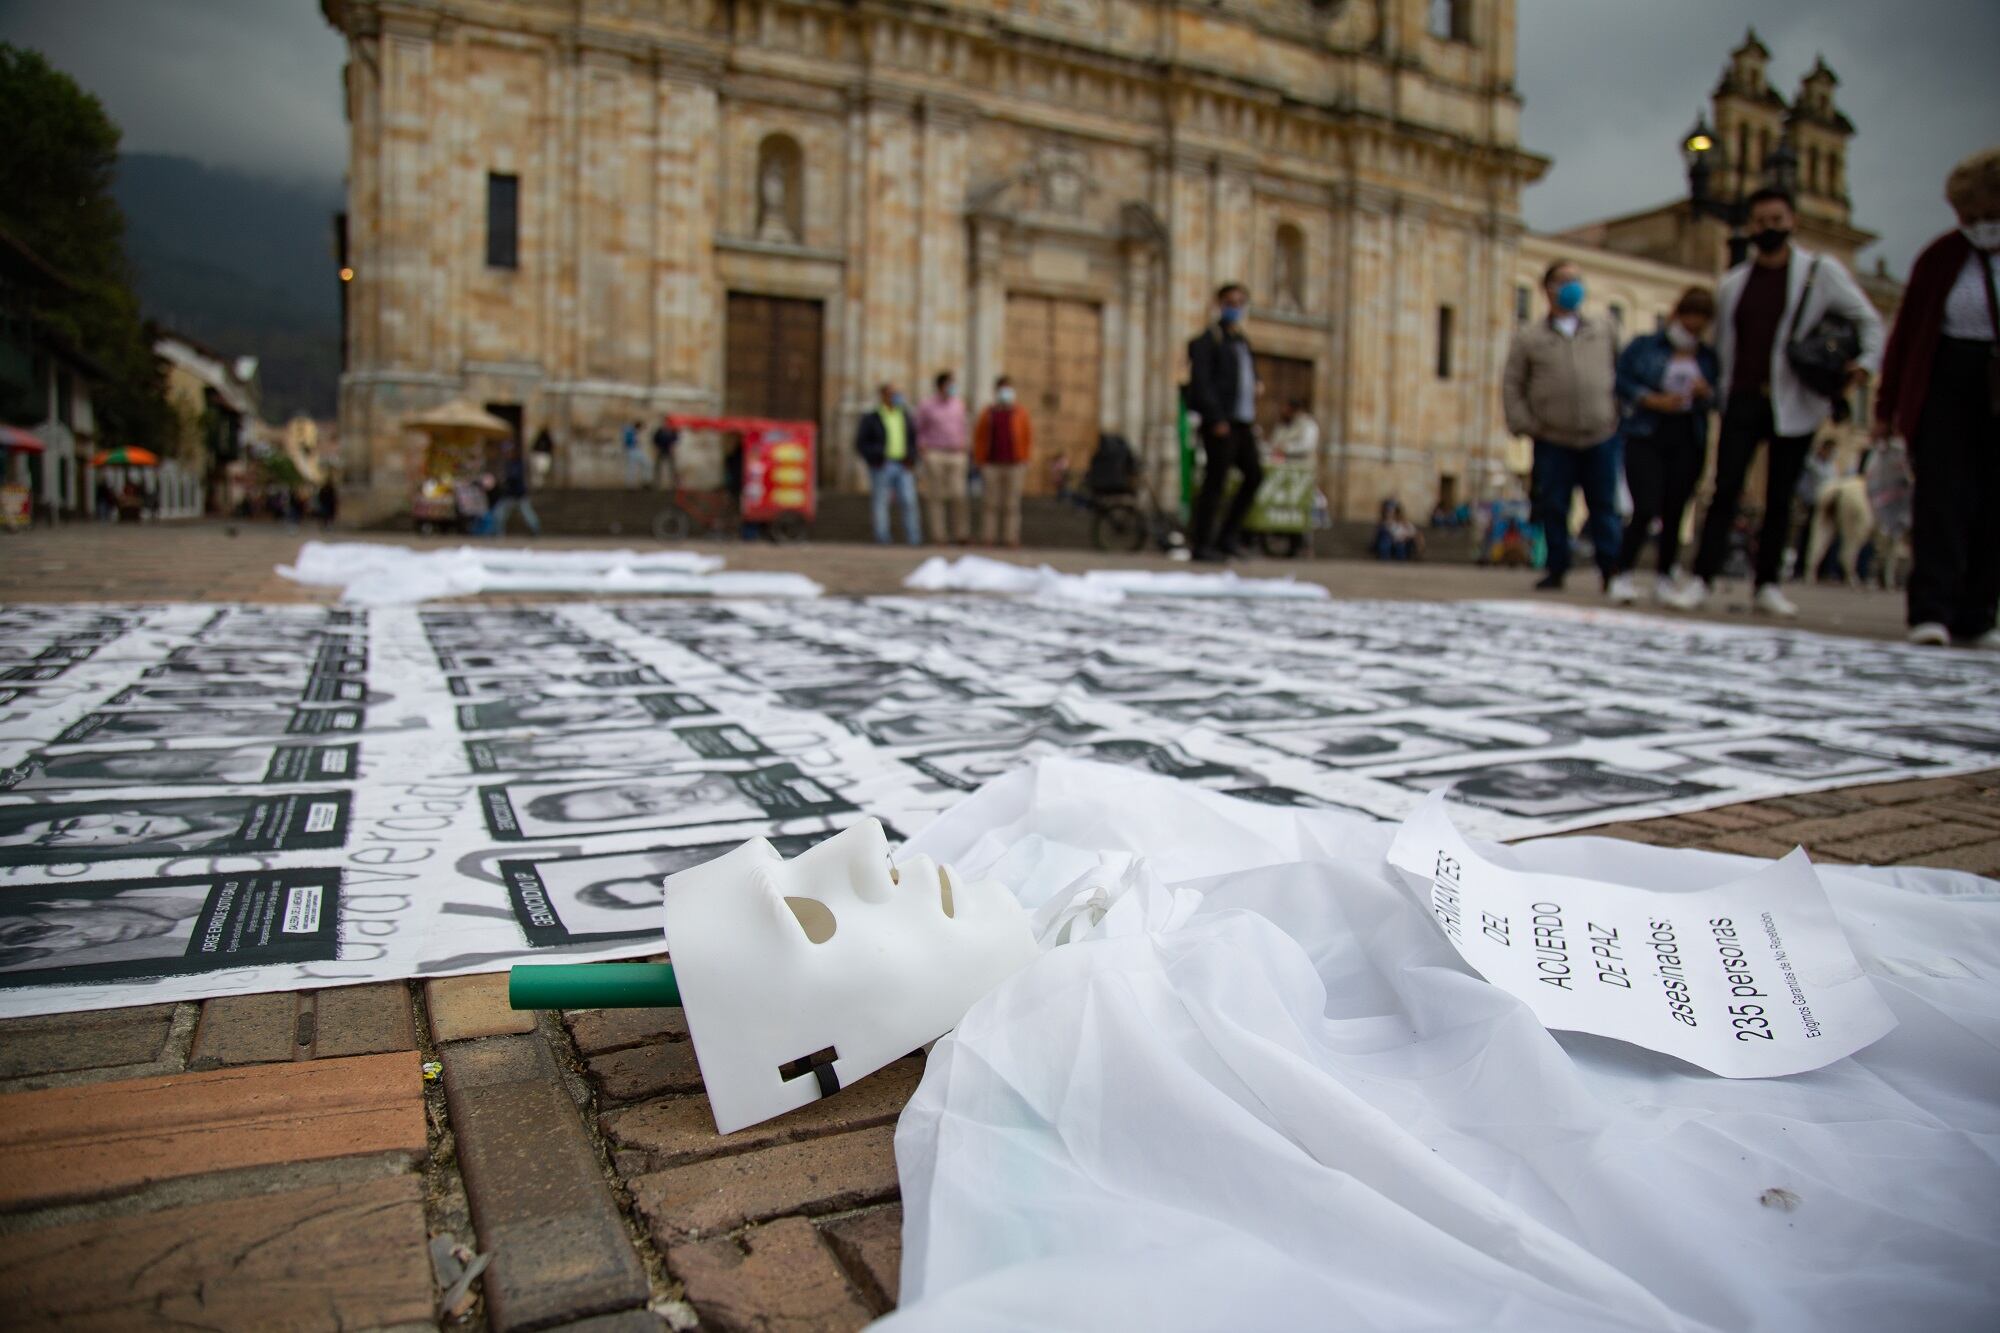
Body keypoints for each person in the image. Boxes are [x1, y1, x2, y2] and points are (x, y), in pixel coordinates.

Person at [1675, 187, 1884, 616]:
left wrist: (1863, 365)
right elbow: (1723, 346)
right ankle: (1701, 576)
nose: (1768, 229)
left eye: (1777, 220)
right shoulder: (1733, 283)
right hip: (1743, 397)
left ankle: (1767, 582)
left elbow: (1868, 319)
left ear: (1792, 223)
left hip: (1795, 399)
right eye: (1761, 221)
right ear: (1751, 226)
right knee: (1726, 487)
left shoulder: (1819, 273)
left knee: (1781, 493)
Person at [1872, 147, 2000, 649]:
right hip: (1946, 383)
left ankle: (1979, 611)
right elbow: (1904, 338)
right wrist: (1887, 409)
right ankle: (1931, 608)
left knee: (1993, 501)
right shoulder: (1942, 256)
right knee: (1940, 498)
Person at [1502, 259, 1623, 594]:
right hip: (1553, 436)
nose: (1572, 287)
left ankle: (1611, 569)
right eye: (1563, 281)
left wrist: (1617, 414)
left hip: (1601, 434)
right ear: (1548, 289)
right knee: (1555, 505)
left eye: (1576, 280)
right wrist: (1524, 424)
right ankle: (1556, 567)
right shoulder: (1530, 337)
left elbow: (1621, 373)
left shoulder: (1603, 329)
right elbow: (1513, 384)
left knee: (1603, 505)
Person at [1609, 286, 1720, 605]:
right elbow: (1621, 381)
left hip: (1687, 435)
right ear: (1677, 315)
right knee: (1644, 505)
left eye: (1699, 326)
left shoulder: (1708, 358)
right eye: (1688, 323)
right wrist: (1651, 398)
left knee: (1676, 508)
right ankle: (1623, 571)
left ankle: (1664, 574)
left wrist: (1705, 394)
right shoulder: (1645, 347)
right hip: (1647, 431)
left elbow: (1719, 397)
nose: (1692, 331)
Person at [1185, 283, 1264, 561]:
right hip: (1221, 422)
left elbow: (1247, 375)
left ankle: (1227, 537)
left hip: (1243, 421)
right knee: (1215, 482)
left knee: (1254, 476)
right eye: (1230, 302)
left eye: (1240, 302)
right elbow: (1201, 383)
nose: (1235, 308)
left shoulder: (1242, 342)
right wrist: (1215, 417)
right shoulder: (1208, 340)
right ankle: (1202, 544)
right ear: (1219, 304)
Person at [856, 382, 922, 545]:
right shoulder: (872, 417)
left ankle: (914, 538)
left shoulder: (904, 415)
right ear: (883, 396)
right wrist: (876, 457)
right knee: (881, 502)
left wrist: (911, 458)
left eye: (898, 393)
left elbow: (913, 439)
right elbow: (861, 442)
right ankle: (882, 537)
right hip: (882, 465)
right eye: (893, 394)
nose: (897, 397)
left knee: (908, 501)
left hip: (903, 464)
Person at [972, 374, 1033, 547]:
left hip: (1015, 464)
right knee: (990, 503)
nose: (1006, 392)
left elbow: (1028, 436)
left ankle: (1010, 538)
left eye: (1008, 389)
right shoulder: (988, 413)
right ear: (996, 391)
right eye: (1002, 389)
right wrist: (980, 460)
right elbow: (979, 437)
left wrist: (1025, 458)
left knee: (1012, 504)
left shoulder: (1020, 413)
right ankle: (988, 538)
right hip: (992, 464)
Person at [916, 370, 971, 545]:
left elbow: (964, 427)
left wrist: (965, 447)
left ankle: (961, 533)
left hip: (956, 454)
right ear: (941, 385)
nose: (953, 387)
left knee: (958, 495)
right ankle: (939, 536)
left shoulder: (959, 405)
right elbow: (919, 428)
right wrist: (923, 449)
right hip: (935, 453)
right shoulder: (927, 405)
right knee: (936, 496)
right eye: (950, 383)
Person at [486, 445, 541, 537]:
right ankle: (498, 533)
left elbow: (515, 478)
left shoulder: (518, 464)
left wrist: (506, 481)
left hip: (518, 494)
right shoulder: (508, 464)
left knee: (527, 514)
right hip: (509, 495)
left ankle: (536, 529)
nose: (507, 454)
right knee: (499, 514)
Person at [1268, 399, 1319, 464]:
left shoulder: (1308, 425)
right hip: (1282, 462)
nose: (1284, 412)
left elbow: (1307, 445)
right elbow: (1274, 441)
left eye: (1288, 410)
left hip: (1301, 463)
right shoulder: (1283, 424)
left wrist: (1286, 448)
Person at [651, 419, 680, 490]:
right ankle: (656, 483)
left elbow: (676, 439)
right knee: (658, 467)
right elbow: (655, 439)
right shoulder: (659, 431)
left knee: (672, 467)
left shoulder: (672, 431)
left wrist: (673, 446)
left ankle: (673, 484)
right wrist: (657, 447)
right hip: (661, 450)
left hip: (669, 451)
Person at [622, 420, 644, 488]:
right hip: (631, 450)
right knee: (631, 467)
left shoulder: (633, 432)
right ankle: (630, 484)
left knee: (633, 467)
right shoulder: (630, 431)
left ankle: (632, 483)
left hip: (634, 450)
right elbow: (628, 441)